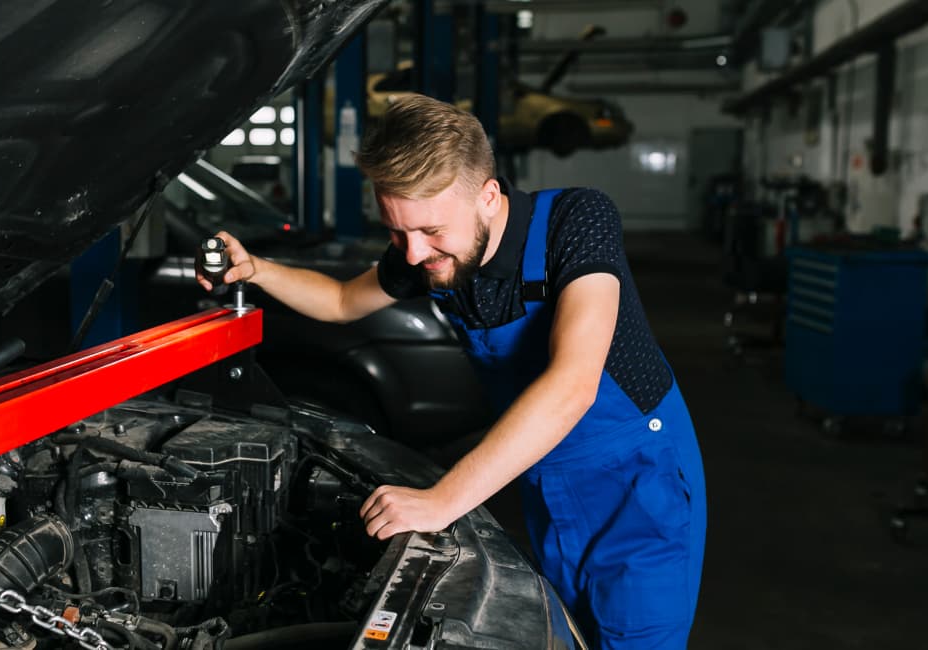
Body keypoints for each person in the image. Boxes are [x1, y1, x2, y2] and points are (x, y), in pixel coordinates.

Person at [197, 95, 706, 648]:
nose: (413, 255)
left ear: (489, 196)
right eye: (398, 233)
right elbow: (342, 300)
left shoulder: (576, 222)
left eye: (431, 231)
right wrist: (259, 269)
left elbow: (574, 382)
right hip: (546, 484)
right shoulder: (433, 250)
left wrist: (443, 499)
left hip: (636, 487)